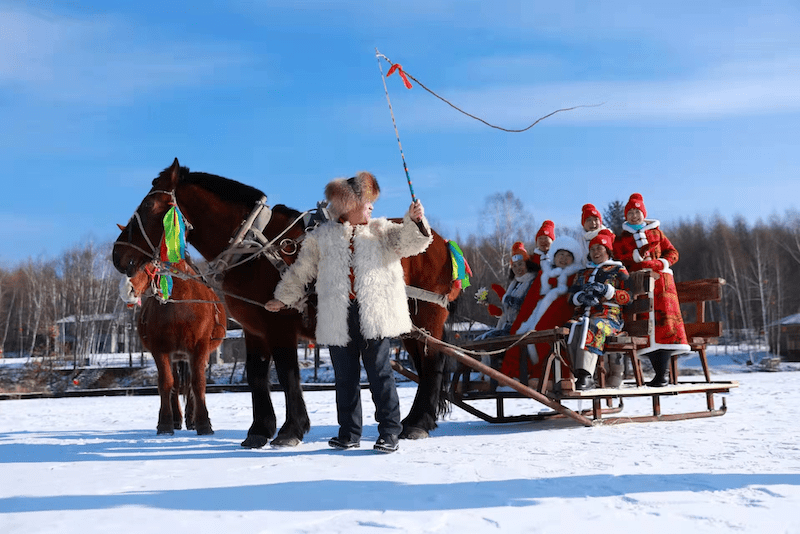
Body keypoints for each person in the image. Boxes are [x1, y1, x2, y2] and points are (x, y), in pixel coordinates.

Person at [265, 172, 432, 453]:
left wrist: (415, 221)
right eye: (368, 202)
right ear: (350, 204)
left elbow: (411, 242)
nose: (372, 208)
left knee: (380, 374)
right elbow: (302, 270)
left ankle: (390, 431)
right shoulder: (322, 237)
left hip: (374, 315)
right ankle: (349, 433)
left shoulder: (382, 231)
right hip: (338, 315)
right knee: (344, 377)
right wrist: (283, 298)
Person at [613, 193, 690, 387]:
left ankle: (662, 374)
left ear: (643, 213)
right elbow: (619, 260)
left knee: (664, 327)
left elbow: (673, 253)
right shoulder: (622, 239)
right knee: (646, 331)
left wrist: (659, 262)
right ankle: (658, 374)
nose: (634, 216)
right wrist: (635, 261)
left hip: (662, 286)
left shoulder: (657, 233)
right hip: (639, 285)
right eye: (630, 212)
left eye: (637, 212)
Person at [566, 229, 631, 391]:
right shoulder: (583, 273)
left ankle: (585, 375)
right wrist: (580, 297)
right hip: (583, 315)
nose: (595, 252)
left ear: (607, 250)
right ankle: (571, 374)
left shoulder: (618, 271)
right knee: (569, 328)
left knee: (594, 325)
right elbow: (570, 297)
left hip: (609, 317)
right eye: (592, 249)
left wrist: (607, 291)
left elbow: (629, 297)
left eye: (599, 248)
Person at [514, 235, 584, 385]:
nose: (564, 259)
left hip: (568, 312)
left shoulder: (577, 273)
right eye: (560, 255)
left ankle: (559, 375)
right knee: (533, 333)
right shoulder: (547, 275)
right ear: (554, 256)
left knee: (550, 333)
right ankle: (541, 372)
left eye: (568, 256)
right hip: (546, 313)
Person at [478, 241, 540, 340]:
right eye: (514, 266)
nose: (517, 268)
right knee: (479, 340)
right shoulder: (515, 284)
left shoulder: (533, 282)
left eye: (520, 264)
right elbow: (509, 312)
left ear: (527, 264)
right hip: (507, 327)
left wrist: (507, 299)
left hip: (523, 328)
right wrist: (499, 311)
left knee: (487, 341)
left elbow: (527, 305)